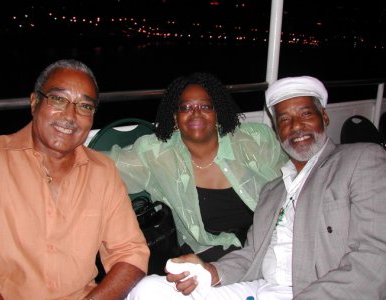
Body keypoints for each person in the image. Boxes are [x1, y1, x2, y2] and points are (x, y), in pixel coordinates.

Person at [125, 75, 386, 299]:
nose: (295, 126)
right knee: (148, 290)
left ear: (325, 117)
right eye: (284, 119)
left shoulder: (359, 160)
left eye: (305, 114)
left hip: (315, 291)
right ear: (276, 130)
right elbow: (252, 255)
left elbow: (375, 261)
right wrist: (209, 272)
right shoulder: (273, 191)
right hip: (262, 287)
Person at [0, 59, 149, 300]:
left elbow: (131, 253)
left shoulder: (102, 171)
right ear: (35, 103)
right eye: (58, 99)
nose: (70, 116)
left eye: (84, 106)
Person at [109, 72, 287, 264]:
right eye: (186, 107)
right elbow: (108, 166)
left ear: (217, 113)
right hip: (208, 250)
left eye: (205, 106)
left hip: (268, 240)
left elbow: (293, 182)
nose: (196, 113)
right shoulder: (156, 153)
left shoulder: (256, 140)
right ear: (175, 118)